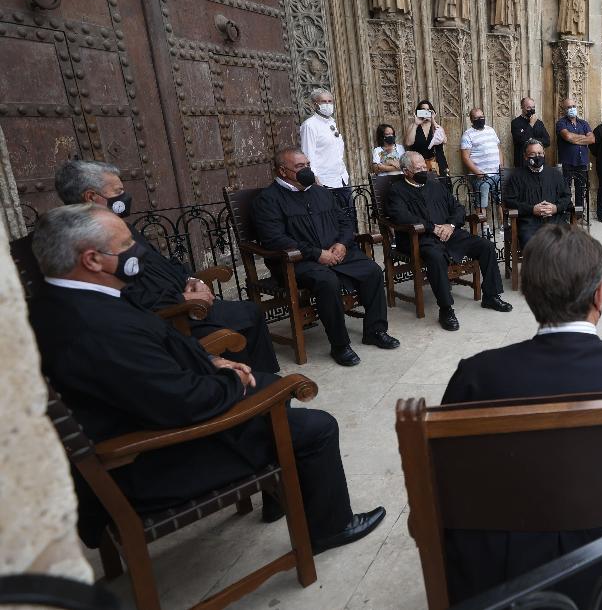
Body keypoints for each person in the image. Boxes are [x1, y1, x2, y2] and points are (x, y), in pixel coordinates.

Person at [28, 204, 386, 554]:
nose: (136, 249)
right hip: (155, 462)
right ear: (92, 260)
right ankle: (330, 527)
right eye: (125, 245)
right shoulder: (93, 327)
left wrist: (211, 358)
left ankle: (281, 491)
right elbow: (179, 402)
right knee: (314, 423)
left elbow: (156, 347)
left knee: (266, 383)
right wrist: (236, 382)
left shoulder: (64, 299)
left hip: (147, 416)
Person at [439, 224, 602, 604]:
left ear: (529, 295)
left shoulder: (477, 376)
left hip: (504, 575)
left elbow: (447, 481)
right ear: (600, 295)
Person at [54, 160, 279, 374]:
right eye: (117, 192)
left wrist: (194, 281)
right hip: (172, 318)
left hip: (186, 302)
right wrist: (182, 301)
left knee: (250, 311)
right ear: (92, 197)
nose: (124, 197)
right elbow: (124, 298)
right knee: (248, 315)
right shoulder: (89, 245)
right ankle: (261, 392)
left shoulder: (120, 227)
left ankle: (263, 384)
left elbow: (165, 264)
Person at [253, 148, 399, 366]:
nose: (307, 171)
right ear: (283, 171)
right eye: (300, 167)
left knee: (372, 271)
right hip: (298, 261)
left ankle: (375, 331)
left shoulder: (321, 192)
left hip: (336, 252)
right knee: (327, 281)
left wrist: (341, 244)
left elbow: (346, 222)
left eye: (308, 165)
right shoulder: (268, 199)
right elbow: (274, 239)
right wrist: (316, 253)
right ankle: (340, 345)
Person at [387, 152, 512, 331]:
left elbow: (458, 208)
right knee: (436, 257)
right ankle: (446, 309)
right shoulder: (397, 191)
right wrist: (432, 228)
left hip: (450, 234)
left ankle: (491, 296)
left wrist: (451, 225)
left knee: (485, 246)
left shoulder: (435, 185)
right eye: (418, 168)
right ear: (406, 171)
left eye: (424, 166)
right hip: (421, 238)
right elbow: (400, 216)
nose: (424, 170)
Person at [502, 139, 573, 247]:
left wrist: (556, 208)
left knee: (569, 240)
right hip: (529, 222)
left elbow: (566, 197)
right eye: (532, 154)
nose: (537, 156)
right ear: (525, 156)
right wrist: (532, 209)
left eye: (539, 153)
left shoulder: (555, 174)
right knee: (533, 245)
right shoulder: (516, 177)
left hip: (555, 220)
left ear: (544, 154)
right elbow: (509, 201)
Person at [299, 88, 352, 209]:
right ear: (315, 104)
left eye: (330, 101)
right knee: (333, 219)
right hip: (324, 182)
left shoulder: (331, 123)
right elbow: (307, 155)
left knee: (349, 217)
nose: (328, 104)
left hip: (341, 179)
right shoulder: (310, 125)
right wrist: (316, 181)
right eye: (324, 102)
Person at [460, 107, 503, 216]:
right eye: (477, 118)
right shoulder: (467, 134)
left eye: (482, 117)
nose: (480, 119)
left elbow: (498, 149)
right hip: (481, 175)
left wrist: (501, 166)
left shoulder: (491, 130)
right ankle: (485, 229)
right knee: (481, 204)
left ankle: (503, 226)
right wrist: (478, 172)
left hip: (496, 173)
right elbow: (465, 157)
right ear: (471, 120)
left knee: (501, 201)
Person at [556, 97, 594, 210]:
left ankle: (578, 214)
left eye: (573, 106)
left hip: (582, 162)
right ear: (564, 109)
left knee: (580, 190)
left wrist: (574, 138)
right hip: (567, 162)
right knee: (565, 189)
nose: (572, 109)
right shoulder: (561, 123)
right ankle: (566, 212)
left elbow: (592, 139)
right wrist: (583, 138)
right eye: (569, 107)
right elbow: (567, 136)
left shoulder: (583, 123)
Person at [405, 99, 451, 178]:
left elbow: (444, 140)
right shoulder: (413, 126)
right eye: (423, 110)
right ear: (418, 112)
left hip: (437, 162)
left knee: (440, 186)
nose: (426, 112)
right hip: (420, 164)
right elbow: (408, 143)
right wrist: (416, 124)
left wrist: (433, 121)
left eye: (428, 110)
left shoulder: (436, 126)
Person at [510, 97, 551, 167]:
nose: (531, 110)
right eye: (528, 108)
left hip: (539, 162)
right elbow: (521, 141)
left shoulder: (539, 123)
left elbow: (547, 141)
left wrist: (531, 140)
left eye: (533, 107)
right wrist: (531, 124)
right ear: (522, 107)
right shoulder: (515, 123)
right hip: (522, 162)